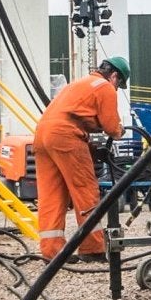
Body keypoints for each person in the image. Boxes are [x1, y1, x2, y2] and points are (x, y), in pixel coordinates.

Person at [32, 56, 127, 260]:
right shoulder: (105, 87)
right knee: (85, 190)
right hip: (65, 134)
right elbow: (111, 127)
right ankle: (92, 249)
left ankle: (52, 252)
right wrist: (120, 131)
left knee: (51, 194)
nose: (117, 89)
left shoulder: (79, 84)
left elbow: (75, 115)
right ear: (115, 76)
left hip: (42, 133)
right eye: (119, 84)